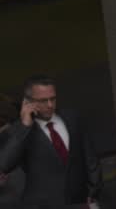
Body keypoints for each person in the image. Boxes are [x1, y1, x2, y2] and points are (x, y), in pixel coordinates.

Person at [0, 75, 103, 204]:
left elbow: (90, 157)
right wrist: (25, 126)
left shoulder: (72, 118)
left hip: (79, 201)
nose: (50, 105)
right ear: (28, 102)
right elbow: (4, 164)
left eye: (52, 99)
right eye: (43, 100)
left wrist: (94, 189)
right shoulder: (18, 130)